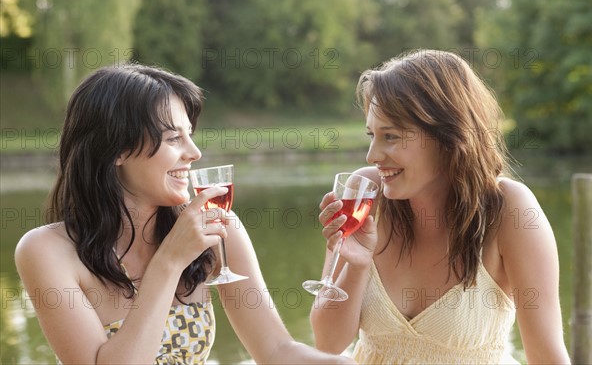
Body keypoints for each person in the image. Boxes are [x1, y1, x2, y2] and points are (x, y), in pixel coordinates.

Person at [15, 64, 354, 365]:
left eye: (189, 135)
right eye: (174, 138)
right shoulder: (47, 250)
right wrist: (169, 261)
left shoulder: (218, 229)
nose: (194, 153)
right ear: (117, 149)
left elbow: (277, 351)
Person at [309, 50, 571, 364]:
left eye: (390, 136)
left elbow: (547, 357)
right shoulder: (365, 194)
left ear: (447, 135)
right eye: (371, 135)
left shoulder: (510, 210)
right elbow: (328, 343)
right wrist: (356, 263)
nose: (372, 155)